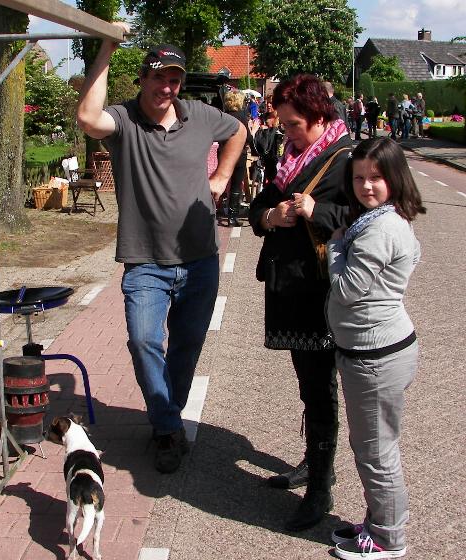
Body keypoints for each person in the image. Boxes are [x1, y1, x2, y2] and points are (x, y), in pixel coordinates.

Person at [77, 30, 246, 474]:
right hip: (145, 262)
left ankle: (165, 422)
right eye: (158, 77)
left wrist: (222, 177)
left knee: (186, 347)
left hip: (199, 259)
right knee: (144, 341)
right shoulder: (124, 119)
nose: (166, 87)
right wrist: (107, 47)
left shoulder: (200, 115)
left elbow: (239, 130)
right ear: (143, 78)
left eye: (173, 79)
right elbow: (88, 118)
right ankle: (169, 426)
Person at [248, 74, 351, 531]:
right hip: (289, 286)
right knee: (308, 384)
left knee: (320, 386)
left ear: (319, 117)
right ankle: (314, 463)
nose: (286, 132)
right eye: (284, 123)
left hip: (320, 292)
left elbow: (367, 216)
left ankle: (321, 488)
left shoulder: (346, 160)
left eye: (293, 124)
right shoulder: (290, 159)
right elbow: (258, 209)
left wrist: (316, 212)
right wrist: (271, 216)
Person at [326, 137, 426, 559]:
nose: (366, 186)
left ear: (395, 178)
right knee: (375, 446)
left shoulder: (379, 229)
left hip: (375, 358)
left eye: (376, 177)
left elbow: (347, 289)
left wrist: (334, 247)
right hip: (379, 350)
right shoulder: (384, 218)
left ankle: (387, 538)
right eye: (359, 178)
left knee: (376, 452)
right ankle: (378, 520)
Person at [221, 90, 253, 226]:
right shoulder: (241, 116)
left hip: (223, 152)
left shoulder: (222, 115)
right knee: (236, 184)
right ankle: (232, 217)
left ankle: (214, 207)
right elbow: (248, 137)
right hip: (239, 153)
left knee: (222, 180)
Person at [252, 110, 284, 188]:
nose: (269, 105)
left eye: (271, 104)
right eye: (267, 103)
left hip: (275, 156)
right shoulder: (263, 117)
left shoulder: (281, 119)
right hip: (267, 155)